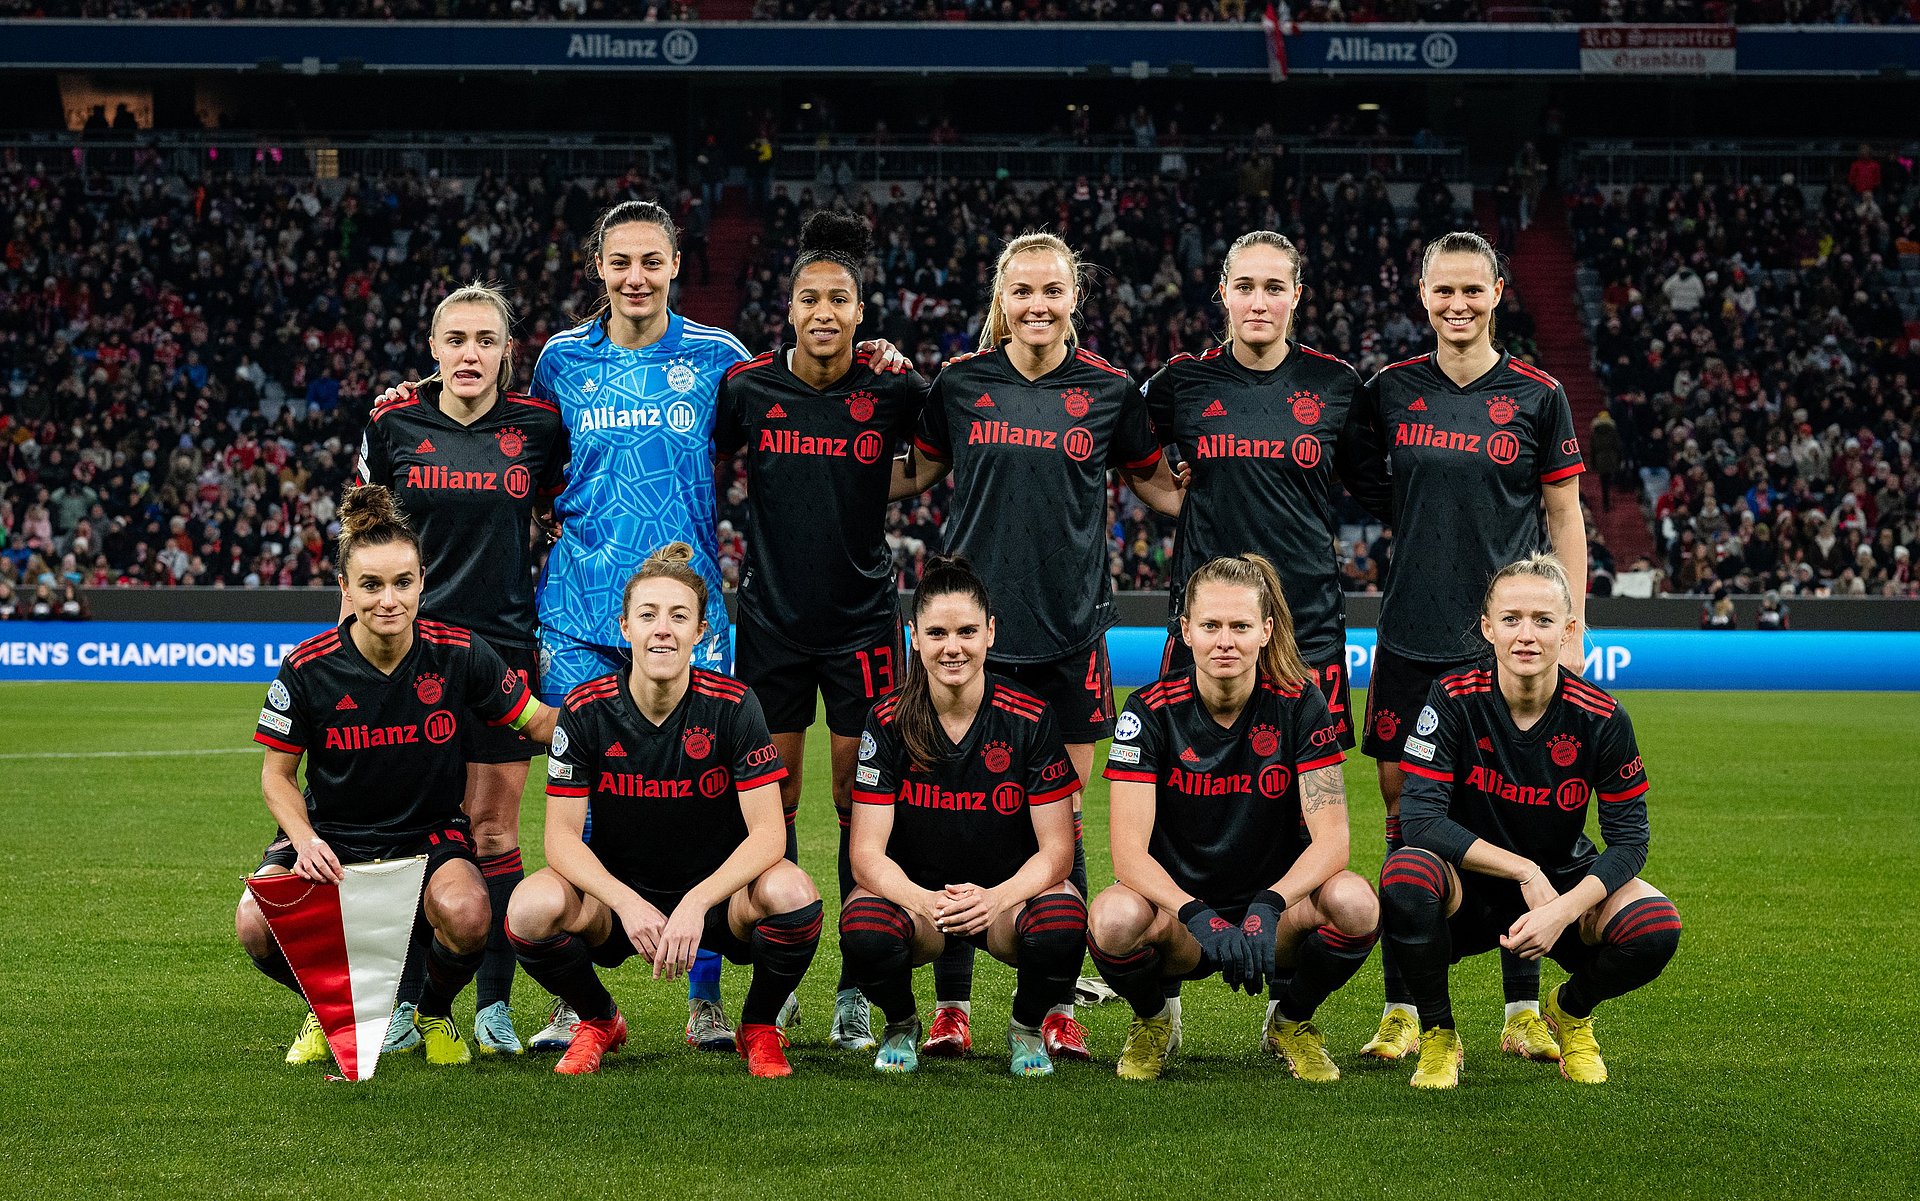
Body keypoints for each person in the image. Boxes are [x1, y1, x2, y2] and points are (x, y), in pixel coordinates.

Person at [519, 199, 908, 1053]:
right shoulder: (559, 362)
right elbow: (526, 456)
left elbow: (787, 424)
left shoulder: (719, 360)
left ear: (674, 266)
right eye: (621, 262)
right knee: (583, 810)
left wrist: (863, 358)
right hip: (581, 610)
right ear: (598, 267)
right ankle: (574, 1003)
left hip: (693, 615)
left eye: (652, 262)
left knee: (713, 807)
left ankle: (706, 997)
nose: (636, 277)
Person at [896, 232, 1182, 1061]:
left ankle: (1055, 1001)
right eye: (1023, 291)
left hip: (1068, 637)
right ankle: (952, 1004)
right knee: (948, 815)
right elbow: (909, 472)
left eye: (1053, 291)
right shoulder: (958, 383)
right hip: (967, 639)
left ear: (1073, 299)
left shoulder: (1108, 390)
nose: (1038, 305)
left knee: (1061, 817)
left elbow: (1160, 484)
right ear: (1001, 298)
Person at [1351, 230, 1588, 1064]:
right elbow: (1345, 478)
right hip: (1411, 638)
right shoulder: (1388, 393)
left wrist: (1573, 622)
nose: (1457, 305)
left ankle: (1521, 1006)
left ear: (1497, 294)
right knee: (1402, 828)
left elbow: (1563, 516)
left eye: (1472, 291)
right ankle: (1402, 1009)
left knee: (1510, 818)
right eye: (1443, 291)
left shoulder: (1537, 393)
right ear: (1423, 296)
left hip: (1507, 647)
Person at [235, 485, 556, 1067]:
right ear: (346, 590)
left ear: (423, 583)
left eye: (403, 583)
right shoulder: (308, 667)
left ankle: (431, 1010)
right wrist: (304, 841)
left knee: (468, 914)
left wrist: (621, 714)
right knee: (255, 921)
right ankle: (332, 1007)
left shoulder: (459, 652)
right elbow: (277, 778)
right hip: (332, 836)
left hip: (428, 834)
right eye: (372, 585)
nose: (389, 600)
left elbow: (537, 723)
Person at [715, 210, 929, 1054]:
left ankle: (853, 984)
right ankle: (776, 972)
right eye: (811, 297)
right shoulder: (748, 391)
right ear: (791, 309)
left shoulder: (893, 390)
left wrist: (888, 481)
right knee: (777, 801)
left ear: (859, 311)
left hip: (863, 624)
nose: (825, 310)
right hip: (769, 621)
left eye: (840, 297)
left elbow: (939, 453)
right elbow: (709, 456)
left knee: (856, 802)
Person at [505, 542, 823, 1078]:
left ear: (700, 632)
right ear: (624, 627)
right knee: (529, 908)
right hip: (617, 904)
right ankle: (598, 1019)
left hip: (720, 901)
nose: (663, 629)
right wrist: (628, 904)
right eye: (648, 615)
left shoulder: (734, 705)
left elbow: (769, 834)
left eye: (679, 616)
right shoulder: (585, 709)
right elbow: (558, 840)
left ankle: (759, 1026)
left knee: (793, 892)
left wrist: (697, 903)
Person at [351, 282, 568, 1057]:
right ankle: (410, 1000)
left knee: (493, 830)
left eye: (485, 340)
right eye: (456, 340)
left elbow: (566, 510)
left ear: (508, 351)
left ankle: (494, 1007)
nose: (470, 353)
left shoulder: (541, 426)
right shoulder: (393, 419)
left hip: (505, 652)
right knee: (413, 833)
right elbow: (364, 538)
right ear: (434, 348)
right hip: (409, 658)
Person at [1382, 555, 1681, 1088]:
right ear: (1487, 627)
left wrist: (1564, 910)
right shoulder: (1452, 698)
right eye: (1512, 618)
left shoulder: (1603, 717)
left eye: (1543, 621)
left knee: (1655, 927)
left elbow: (1631, 841)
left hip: (1559, 892)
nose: (1526, 634)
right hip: (1468, 892)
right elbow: (1420, 820)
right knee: (1405, 875)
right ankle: (1439, 1036)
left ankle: (1569, 1012)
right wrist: (1524, 871)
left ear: (1568, 631)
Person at [1088, 555, 1377, 1082]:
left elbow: (1333, 843)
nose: (1226, 640)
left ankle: (1291, 1021)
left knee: (1355, 903)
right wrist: (1196, 913)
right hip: (1182, 922)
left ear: (1266, 631)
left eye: (1241, 626)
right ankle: (1154, 1020)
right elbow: (1127, 854)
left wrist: (1268, 906)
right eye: (1211, 626)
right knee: (1111, 917)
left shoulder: (1301, 702)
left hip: (1272, 920)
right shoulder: (1148, 710)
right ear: (1187, 631)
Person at [1142, 230, 1391, 749]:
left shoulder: (1336, 385)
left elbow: (1382, 489)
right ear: (1224, 291)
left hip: (1308, 620)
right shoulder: (1184, 381)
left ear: (1296, 294)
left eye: (1274, 287)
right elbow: (1112, 439)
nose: (1259, 303)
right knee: (1190, 785)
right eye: (1246, 286)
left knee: (1309, 796)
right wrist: (1167, 494)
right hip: (1207, 624)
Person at [838, 556, 1085, 1077]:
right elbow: (864, 854)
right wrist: (923, 900)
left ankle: (1024, 1027)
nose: (953, 647)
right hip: (919, 906)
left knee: (1064, 920)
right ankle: (901, 1023)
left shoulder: (1030, 718)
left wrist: (996, 897)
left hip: (1003, 906)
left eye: (968, 631)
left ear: (991, 632)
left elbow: (1058, 850)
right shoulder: (886, 721)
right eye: (938, 633)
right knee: (863, 925)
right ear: (915, 637)